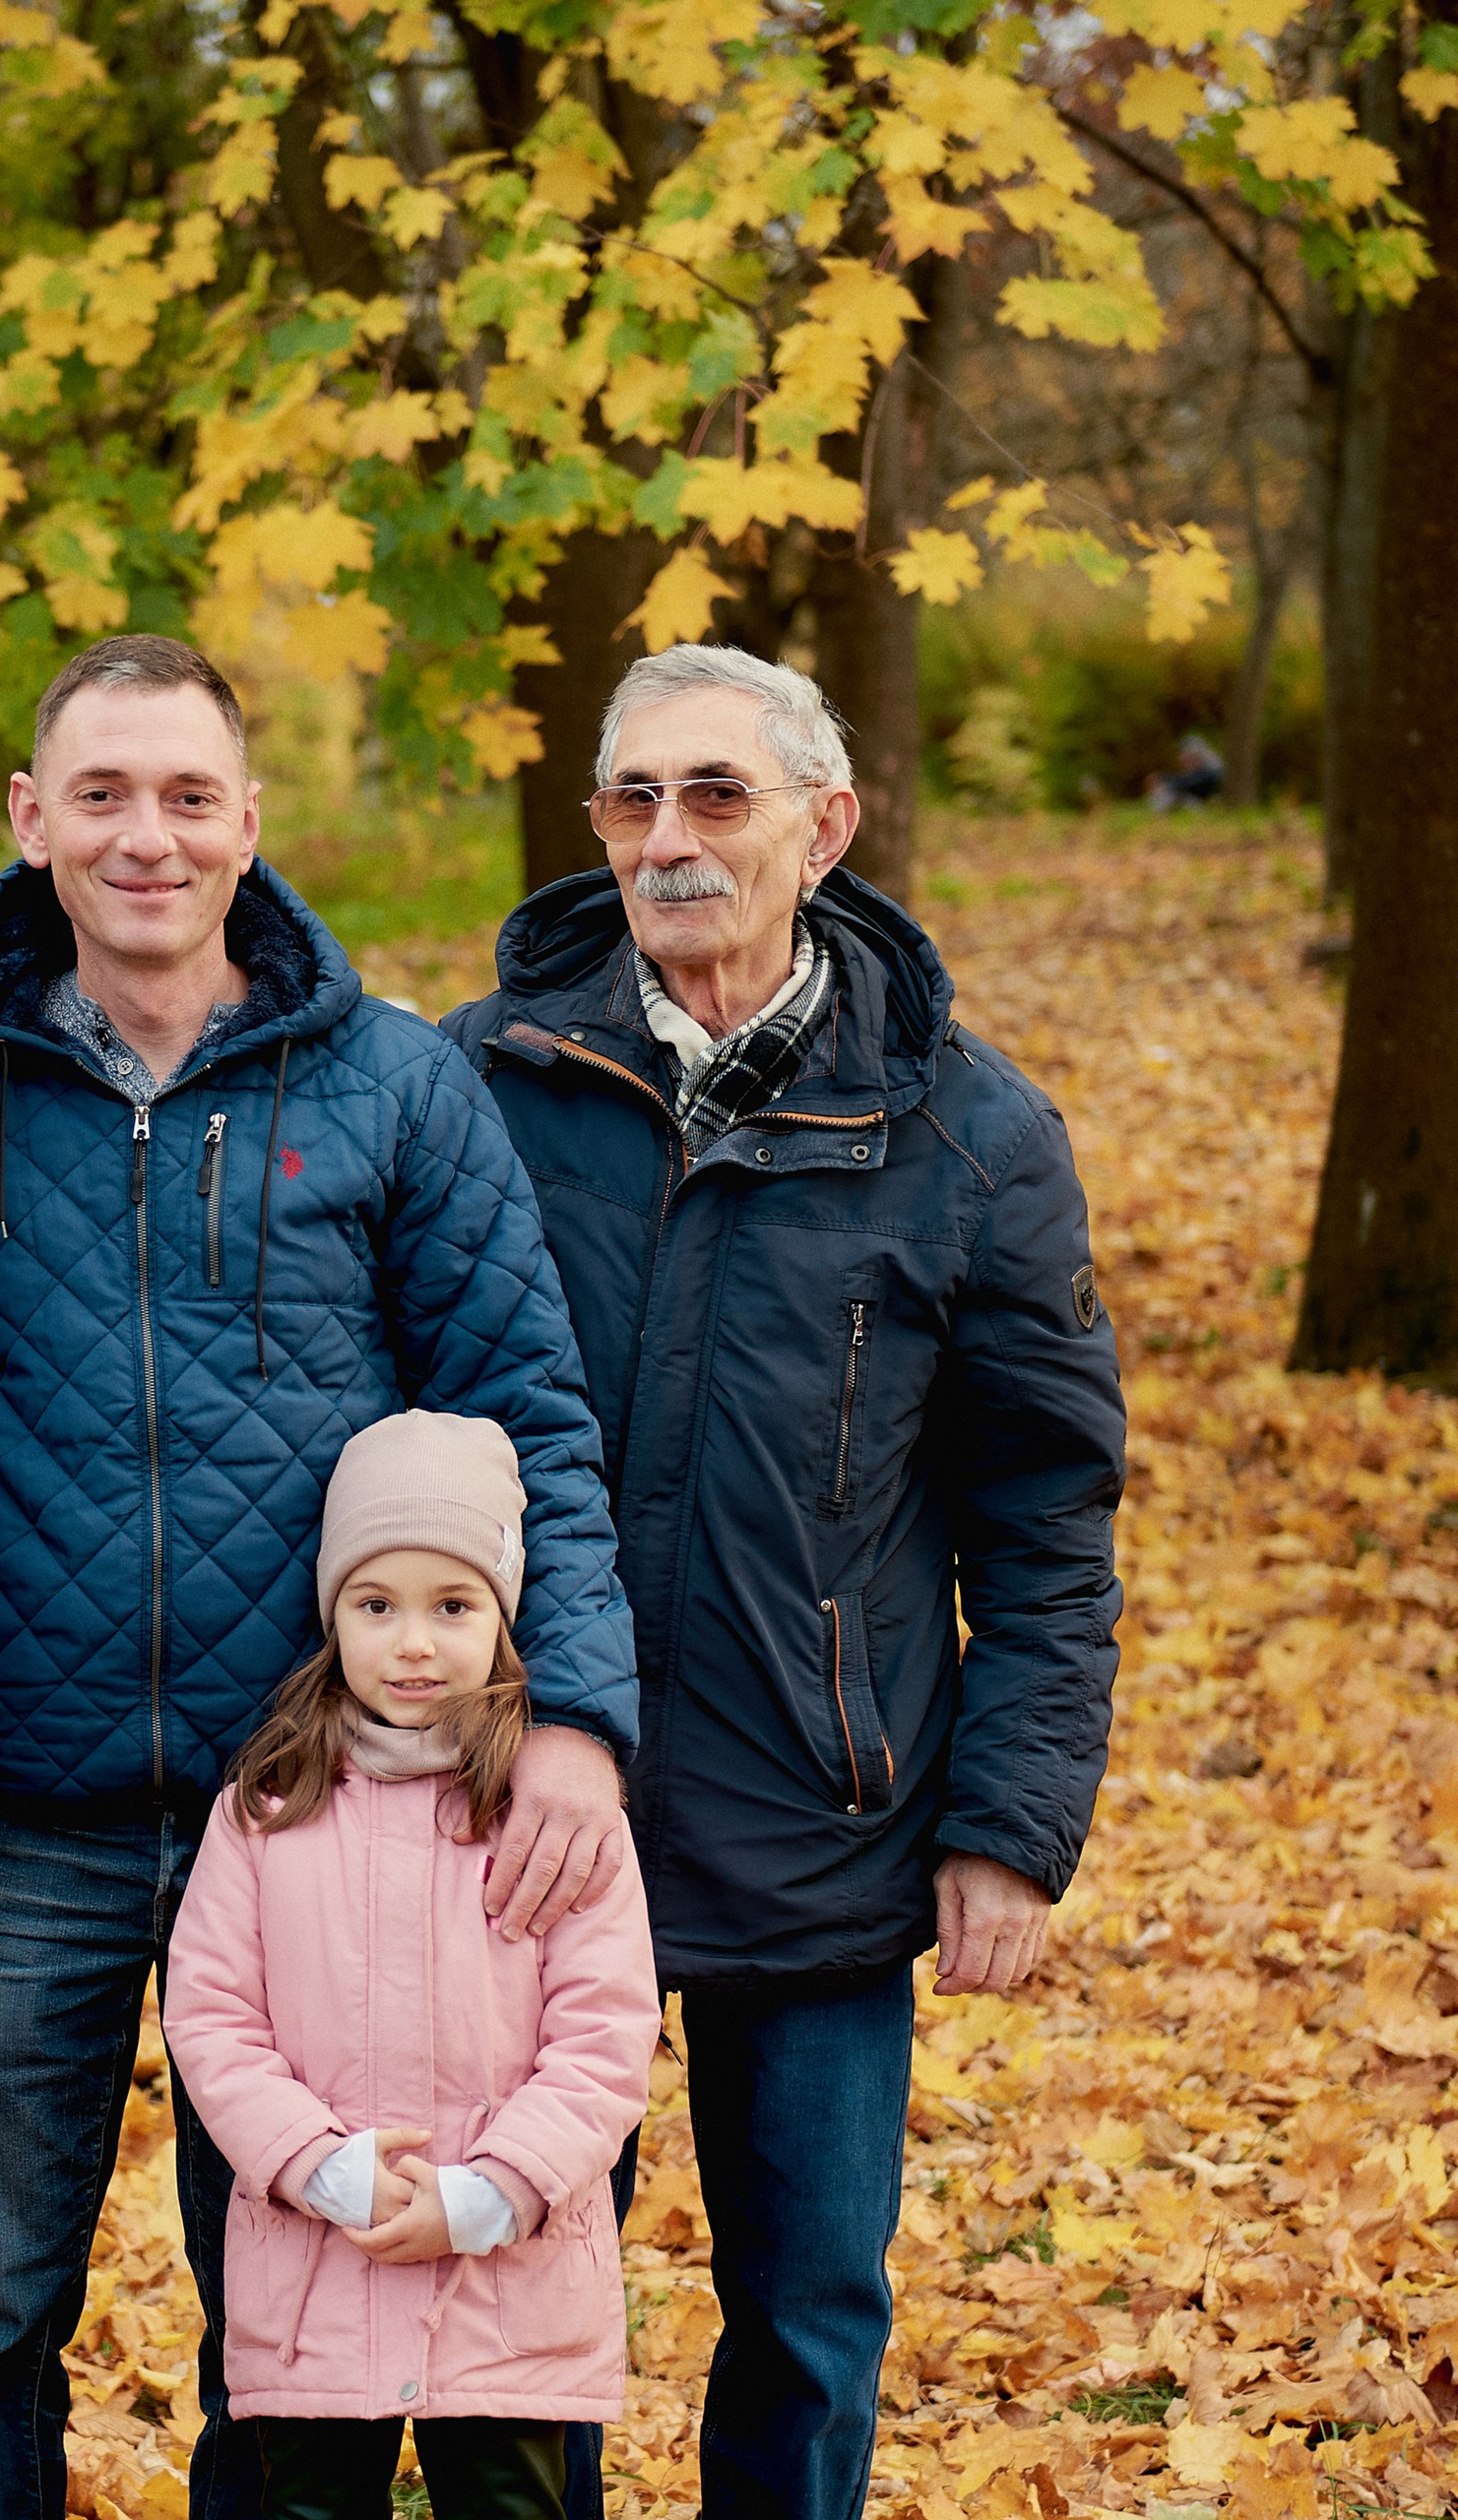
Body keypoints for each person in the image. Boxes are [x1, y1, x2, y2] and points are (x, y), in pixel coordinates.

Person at [0, 634, 639, 2519]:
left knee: (298, 2320)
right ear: (30, 820)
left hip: (322, 1805)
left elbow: (525, 1411)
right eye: (105, 794)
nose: (148, 836)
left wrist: (576, 1726)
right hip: (18, 1809)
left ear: (252, 821)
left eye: (189, 796)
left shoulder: (388, 1085)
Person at [444, 645, 1126, 2520]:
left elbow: (1049, 1517)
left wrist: (1011, 1819)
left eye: (717, 798)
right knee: (515, 2295)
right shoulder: (471, 1084)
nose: (670, 841)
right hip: (511, 1814)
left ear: (825, 828)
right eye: (633, 800)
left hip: (824, 1815)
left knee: (809, 2319)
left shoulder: (972, 1135)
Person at [165, 1412, 662, 2520]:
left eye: (453, 1606)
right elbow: (208, 2017)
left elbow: (606, 2034)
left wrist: (494, 2191)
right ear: (331, 1613)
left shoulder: (556, 1825)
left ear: (503, 1617)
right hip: (314, 2272)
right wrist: (317, 2163)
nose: (414, 1645)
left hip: (505, 2282)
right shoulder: (264, 1812)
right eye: (375, 1605)